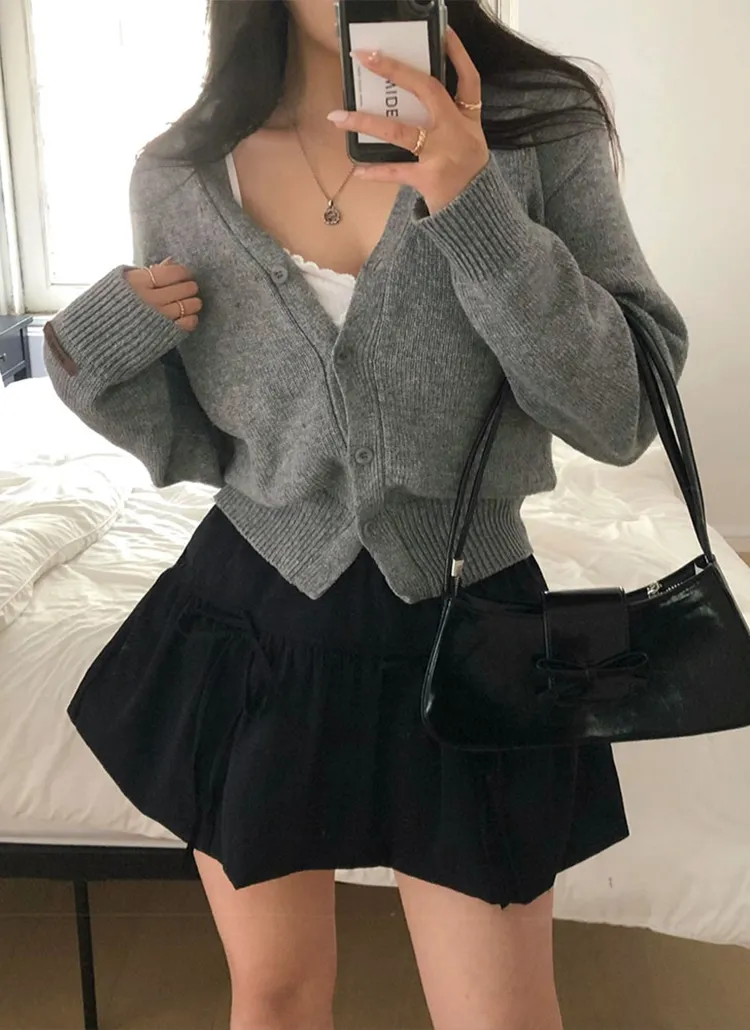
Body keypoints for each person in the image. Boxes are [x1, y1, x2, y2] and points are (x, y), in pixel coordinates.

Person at [43, 1, 689, 1027]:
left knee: (502, 1015)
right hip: (254, 623)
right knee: (275, 996)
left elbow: (621, 411)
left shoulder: (536, 124)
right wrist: (87, 348)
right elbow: (187, 436)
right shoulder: (181, 171)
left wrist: (473, 204)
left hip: (474, 624)